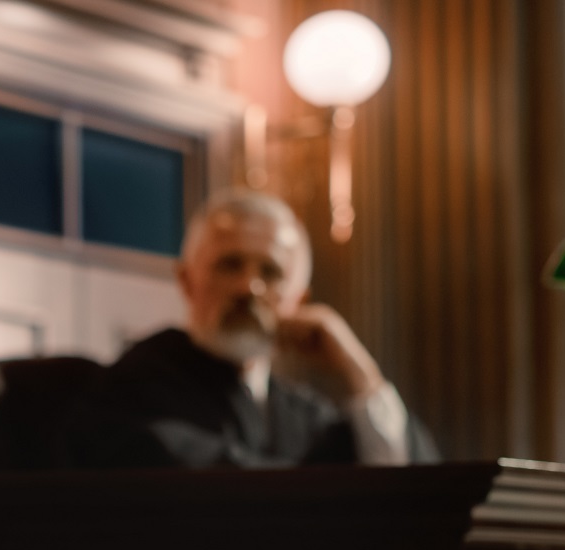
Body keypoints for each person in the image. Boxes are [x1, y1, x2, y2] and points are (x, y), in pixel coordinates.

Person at [70, 188, 437, 469]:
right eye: (230, 265)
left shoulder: (305, 415)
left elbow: (403, 481)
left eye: (271, 272)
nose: (249, 287)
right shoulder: (138, 384)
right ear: (187, 282)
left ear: (299, 298)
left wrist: (360, 374)